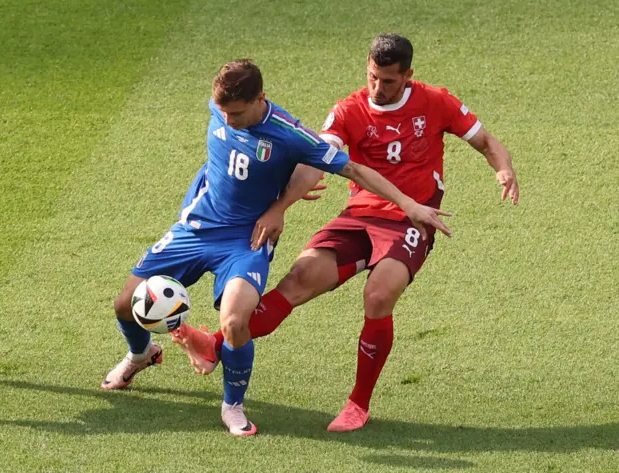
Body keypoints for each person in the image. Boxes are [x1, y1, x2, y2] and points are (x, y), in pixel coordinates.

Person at [172, 34, 520, 432]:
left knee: (378, 293)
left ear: (408, 75)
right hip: (358, 216)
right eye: (372, 77)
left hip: (411, 219)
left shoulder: (436, 101)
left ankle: (358, 403)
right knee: (299, 280)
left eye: (388, 81)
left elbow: (487, 141)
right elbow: (315, 160)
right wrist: (283, 204)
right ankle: (219, 344)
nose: (378, 88)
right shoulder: (348, 110)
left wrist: (503, 168)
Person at [102, 58, 452, 437]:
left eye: (236, 113)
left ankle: (233, 405)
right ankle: (141, 355)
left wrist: (409, 205)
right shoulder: (220, 105)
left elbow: (352, 170)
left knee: (236, 322)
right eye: (222, 111)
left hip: (247, 238)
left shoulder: (288, 134)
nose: (228, 119)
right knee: (125, 303)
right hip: (196, 228)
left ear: (260, 99)